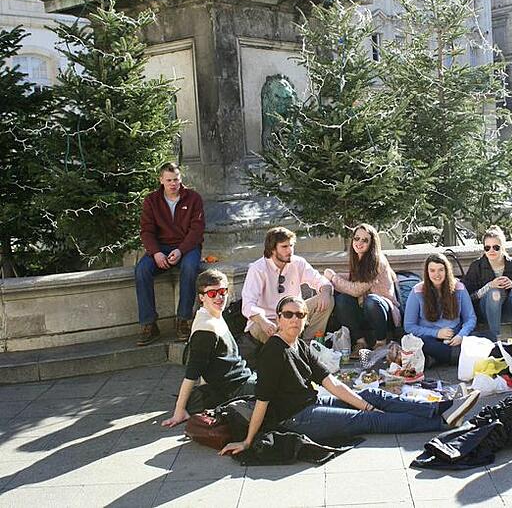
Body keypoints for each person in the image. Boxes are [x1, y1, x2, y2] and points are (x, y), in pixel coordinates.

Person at [219, 296, 481, 455]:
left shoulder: (298, 344)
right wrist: (247, 441)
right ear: (278, 318)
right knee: (366, 419)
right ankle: (443, 423)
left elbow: (329, 381)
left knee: (372, 394)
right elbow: (262, 400)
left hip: (313, 402)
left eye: (300, 315)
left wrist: (364, 401)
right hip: (295, 418)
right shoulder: (273, 352)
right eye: (289, 315)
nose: (295, 320)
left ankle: (442, 409)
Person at [162, 269, 256, 427]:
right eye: (212, 293)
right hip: (237, 388)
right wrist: (180, 411)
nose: (219, 297)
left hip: (242, 379)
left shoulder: (214, 315)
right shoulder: (206, 328)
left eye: (222, 291)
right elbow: (192, 373)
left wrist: (203, 395)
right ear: (201, 297)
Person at [135, 162, 205, 346]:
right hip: (160, 247)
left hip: (187, 247)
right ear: (161, 180)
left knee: (191, 267)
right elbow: (146, 231)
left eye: (176, 180)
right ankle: (149, 323)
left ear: (180, 179)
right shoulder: (152, 200)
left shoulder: (193, 198)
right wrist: (156, 253)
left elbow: (197, 230)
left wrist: (181, 250)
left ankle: (183, 319)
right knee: (142, 270)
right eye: (169, 180)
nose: (173, 184)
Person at [241, 227, 334, 344]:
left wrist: (325, 292)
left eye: (291, 246)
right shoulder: (258, 269)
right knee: (258, 327)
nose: (290, 251)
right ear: (272, 249)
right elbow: (247, 305)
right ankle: (282, 352)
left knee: (328, 299)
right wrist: (262, 320)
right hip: (270, 321)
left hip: (296, 315)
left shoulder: (298, 262)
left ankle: (307, 345)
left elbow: (321, 281)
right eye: (284, 247)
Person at [324, 224, 401, 357]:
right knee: (342, 300)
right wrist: (330, 277)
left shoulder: (377, 261)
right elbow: (353, 281)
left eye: (365, 240)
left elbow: (356, 290)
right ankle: (360, 342)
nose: (359, 243)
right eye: (356, 238)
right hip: (364, 309)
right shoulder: (359, 258)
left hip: (383, 312)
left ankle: (381, 342)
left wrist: (333, 277)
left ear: (372, 243)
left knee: (371, 301)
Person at [404, 253, 479, 367]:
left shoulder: (459, 288)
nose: (437, 274)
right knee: (421, 343)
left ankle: (436, 359)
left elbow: (470, 318)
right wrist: (437, 333)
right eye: (432, 270)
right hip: (429, 338)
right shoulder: (417, 291)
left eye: (441, 270)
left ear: (447, 270)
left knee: (483, 337)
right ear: (427, 272)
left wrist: (461, 335)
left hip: (455, 335)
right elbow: (409, 326)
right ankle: (456, 357)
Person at [463, 226, 512, 340]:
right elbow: (468, 297)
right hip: (485, 311)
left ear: (502, 247)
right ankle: (495, 338)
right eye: (487, 248)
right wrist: (489, 286)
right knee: (494, 293)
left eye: (496, 247)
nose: (491, 251)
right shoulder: (477, 266)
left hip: (509, 310)